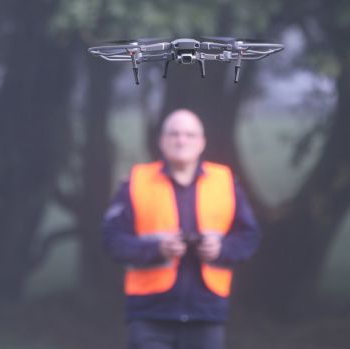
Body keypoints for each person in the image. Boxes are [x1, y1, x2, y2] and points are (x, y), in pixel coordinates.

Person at [102, 108, 260, 349]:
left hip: (206, 313)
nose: (181, 140)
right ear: (161, 141)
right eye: (174, 134)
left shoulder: (225, 182)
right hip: (149, 314)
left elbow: (249, 236)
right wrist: (158, 249)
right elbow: (112, 239)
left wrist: (221, 249)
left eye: (189, 134)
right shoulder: (136, 182)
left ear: (202, 142)